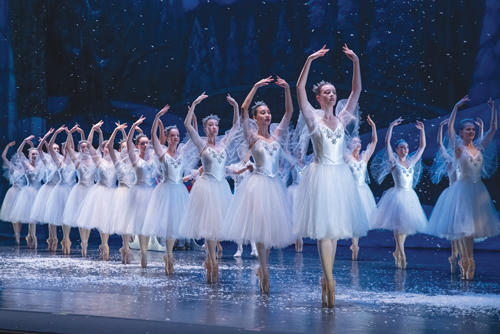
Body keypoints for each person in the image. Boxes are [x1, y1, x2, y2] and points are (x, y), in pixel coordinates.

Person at [294, 44, 368, 308]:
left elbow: (357, 91)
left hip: (340, 178)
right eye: (327, 92)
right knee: (325, 232)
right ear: (319, 97)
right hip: (321, 177)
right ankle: (330, 278)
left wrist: (356, 61)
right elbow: (299, 89)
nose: (332, 94)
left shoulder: (343, 118)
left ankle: (327, 278)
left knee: (335, 232)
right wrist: (309, 59)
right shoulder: (312, 118)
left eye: (334, 92)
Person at [224, 76, 295, 294]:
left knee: (270, 231)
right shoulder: (252, 136)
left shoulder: (276, 137)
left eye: (268, 112)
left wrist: (287, 89)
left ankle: (263, 267)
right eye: (262, 113)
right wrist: (254, 86)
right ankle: (264, 270)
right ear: (256, 118)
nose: (266, 115)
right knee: (261, 232)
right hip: (258, 186)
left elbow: (289, 113)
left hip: (274, 186)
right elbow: (244, 108)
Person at [178, 92, 239, 283]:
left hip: (220, 188)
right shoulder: (201, 144)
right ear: (205, 128)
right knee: (208, 225)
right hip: (205, 188)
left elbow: (236, 128)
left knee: (215, 227)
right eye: (210, 125)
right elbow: (188, 125)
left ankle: (211, 260)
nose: (214, 127)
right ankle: (211, 261)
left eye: (216, 125)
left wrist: (236, 106)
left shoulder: (223, 144)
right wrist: (195, 104)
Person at [442, 96, 499, 280]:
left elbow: (493, 130)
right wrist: (455, 107)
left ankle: (469, 261)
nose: (472, 132)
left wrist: (493, 109)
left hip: (478, 191)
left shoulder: (480, 148)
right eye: (468, 130)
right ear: (462, 133)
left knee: (473, 230)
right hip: (463, 191)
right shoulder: (459, 149)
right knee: (465, 229)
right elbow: (450, 130)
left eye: (473, 129)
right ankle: (467, 261)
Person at [371, 117, 427, 269]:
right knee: (399, 226)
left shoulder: (412, 161)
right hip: (397, 195)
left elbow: (422, 147)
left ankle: (397, 250)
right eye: (402, 147)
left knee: (406, 227)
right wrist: (390, 126)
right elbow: (386, 143)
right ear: (397, 150)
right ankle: (402, 253)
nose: (405, 150)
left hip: (410, 195)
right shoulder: (393, 161)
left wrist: (422, 131)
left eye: (406, 148)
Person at [141, 105, 190, 274]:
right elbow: (153, 137)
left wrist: (192, 112)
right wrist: (157, 118)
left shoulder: (182, 154)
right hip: (165, 191)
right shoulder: (162, 154)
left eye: (177, 136)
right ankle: (168, 255)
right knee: (167, 224)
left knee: (175, 225)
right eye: (172, 136)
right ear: (168, 138)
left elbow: (193, 134)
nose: (175, 138)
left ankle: (169, 254)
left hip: (179, 190)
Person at [346, 115, 378, 260]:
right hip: (351, 191)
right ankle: (354, 243)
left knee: (360, 218)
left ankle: (355, 244)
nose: (358, 144)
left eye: (359, 142)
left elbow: (374, 141)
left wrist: (373, 126)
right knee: (352, 218)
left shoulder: (364, 157)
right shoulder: (347, 157)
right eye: (354, 142)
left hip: (363, 190)